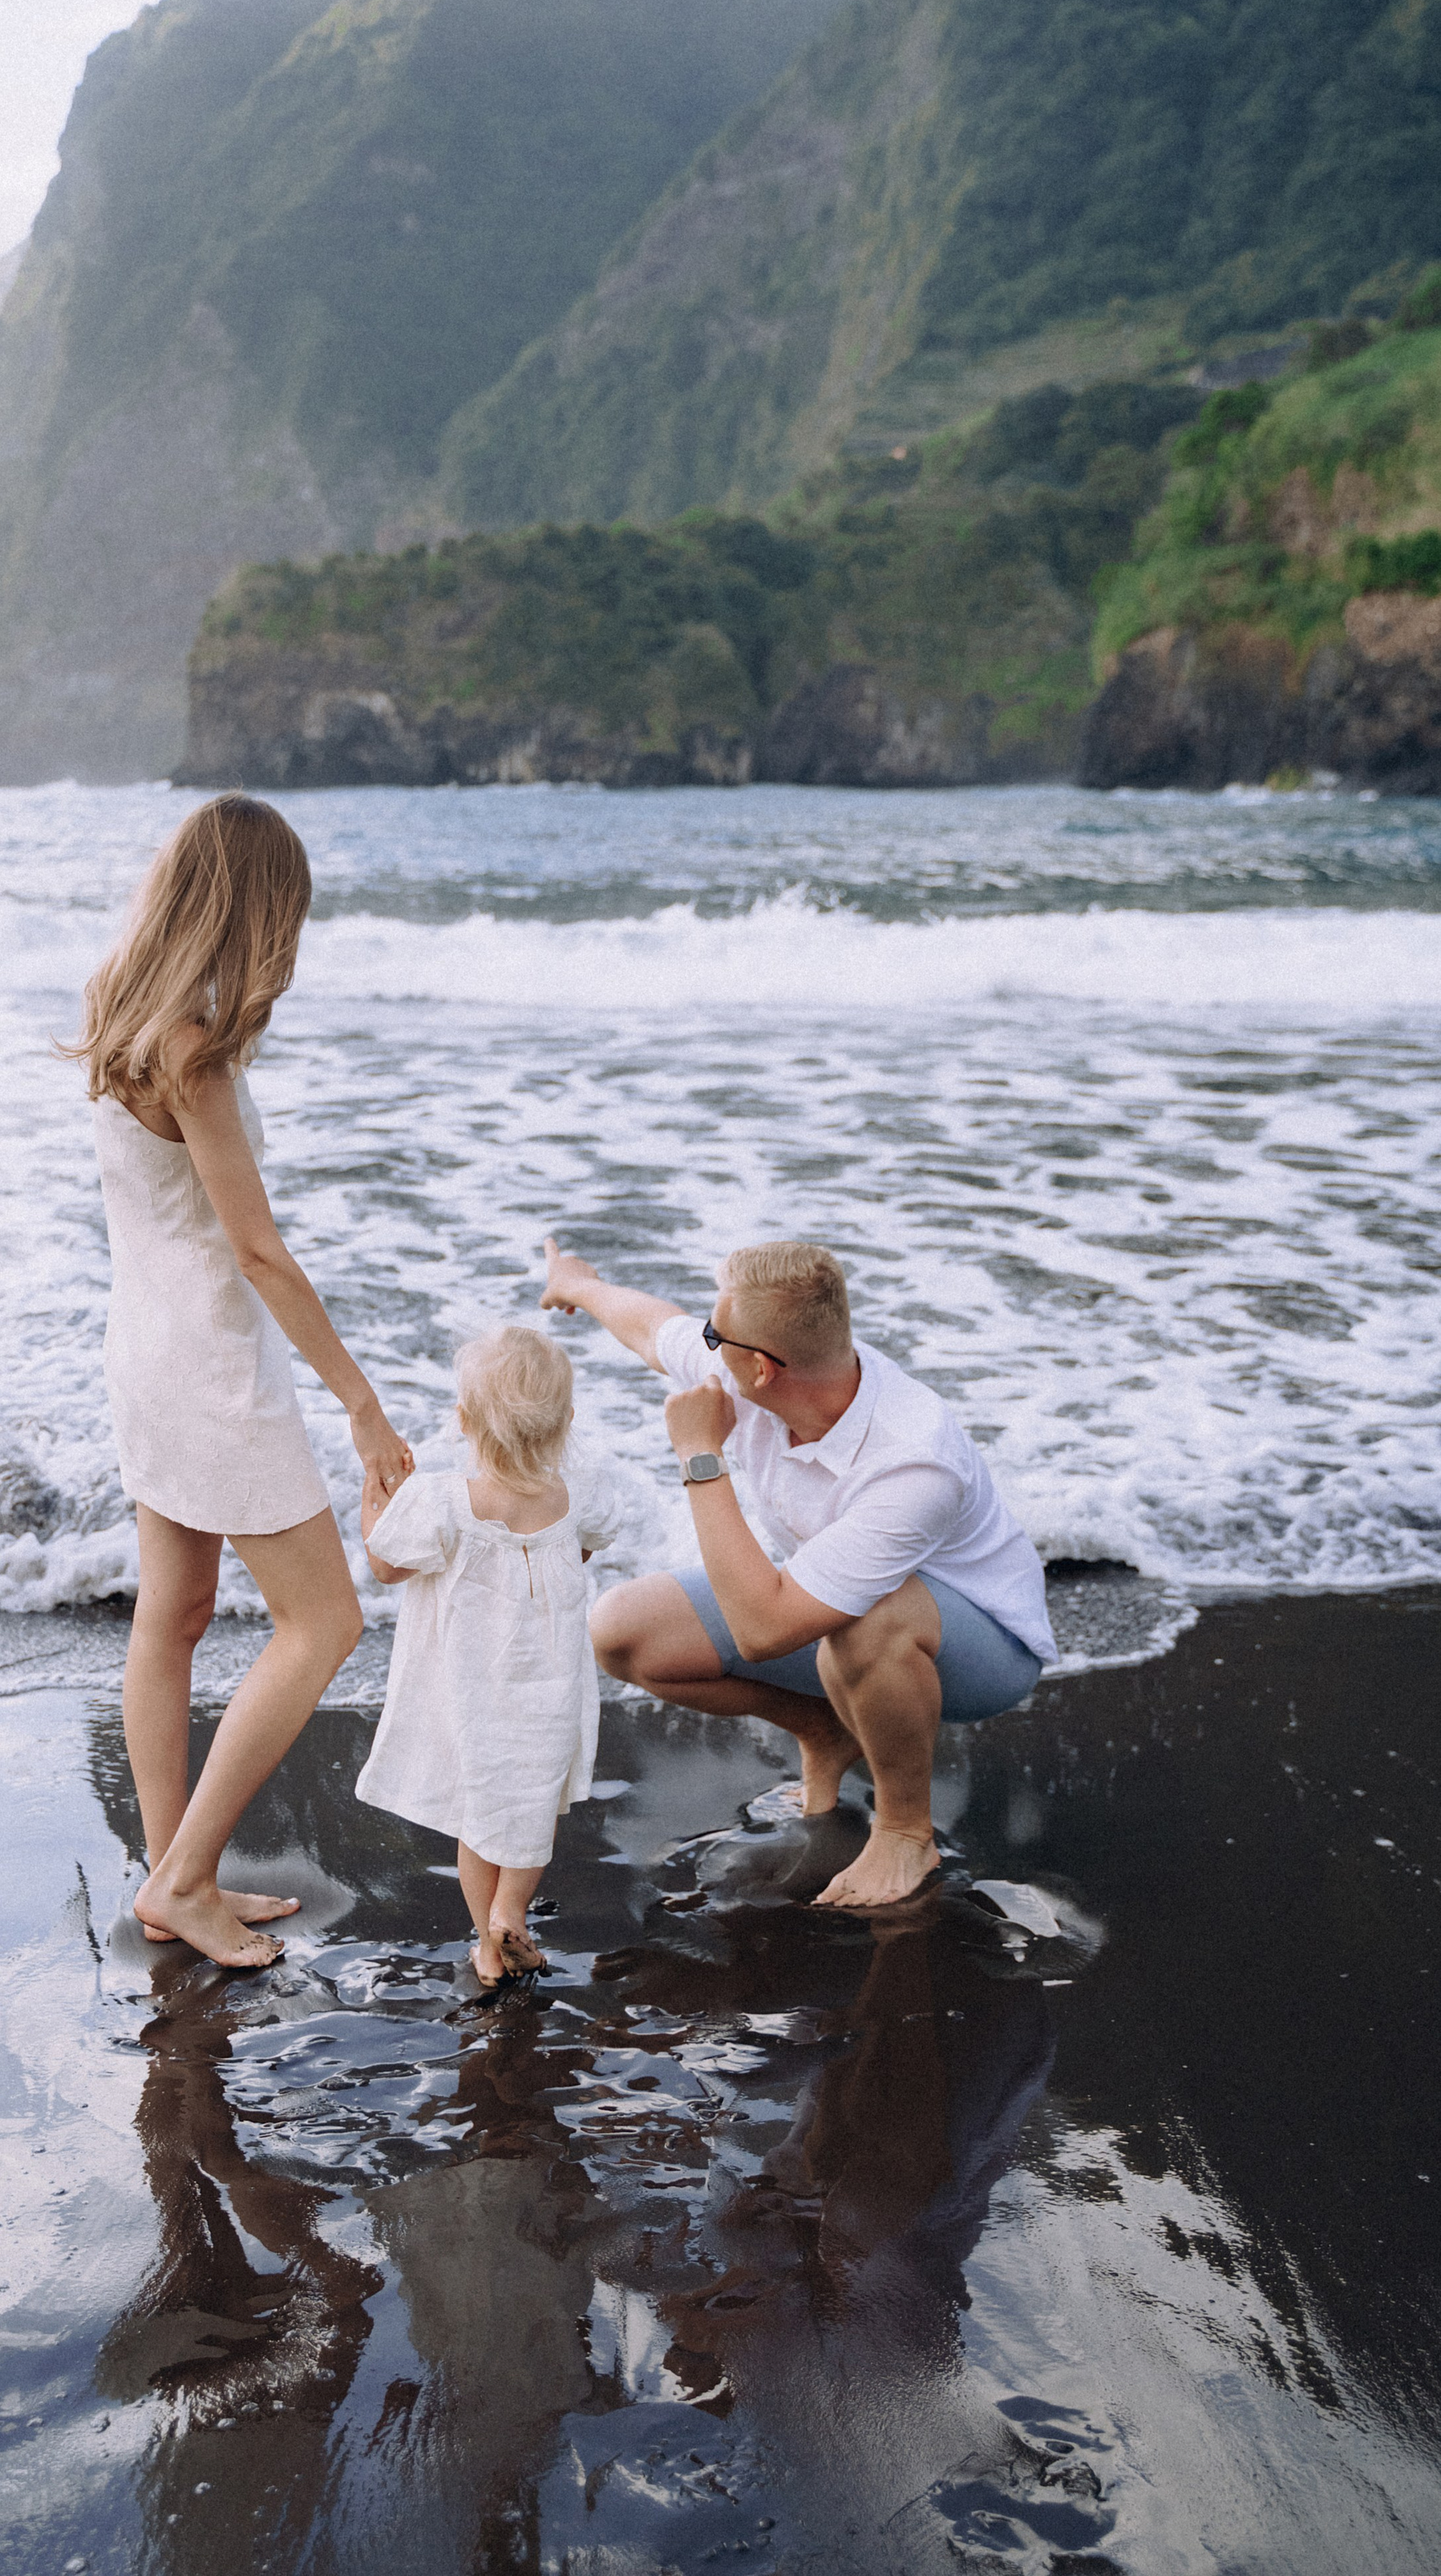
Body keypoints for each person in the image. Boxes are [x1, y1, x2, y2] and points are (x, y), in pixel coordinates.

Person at [67, 794, 414, 1969]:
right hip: (212, 1365)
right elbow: (257, 1251)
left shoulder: (119, 999)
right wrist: (363, 1405)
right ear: (255, 911)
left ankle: (176, 1879)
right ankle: (184, 1876)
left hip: (145, 1344)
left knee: (174, 1618)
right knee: (325, 1619)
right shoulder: (193, 1048)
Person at [539, 1236, 1055, 1909]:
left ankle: (905, 1831)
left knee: (869, 1617)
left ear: (763, 1368)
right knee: (623, 1631)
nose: (704, 1341)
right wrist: (578, 1283)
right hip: (847, 1612)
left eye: (714, 1332)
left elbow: (763, 1632)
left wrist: (699, 1453)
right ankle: (827, 1727)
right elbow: (649, 1327)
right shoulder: (756, 1367)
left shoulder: (912, 1462)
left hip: (983, 1645)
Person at [354, 1323, 620, 1990]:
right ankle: (512, 1912)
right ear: (565, 1423)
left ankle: (489, 1939)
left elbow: (385, 1565)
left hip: (472, 1693)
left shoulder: (444, 1501)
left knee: (482, 1817)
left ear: (464, 1421)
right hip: (550, 1689)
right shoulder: (574, 1492)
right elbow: (587, 1544)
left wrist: (375, 1502)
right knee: (531, 1812)